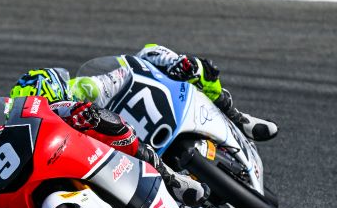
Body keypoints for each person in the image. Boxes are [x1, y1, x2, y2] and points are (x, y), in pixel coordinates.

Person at [10, 68, 209, 208]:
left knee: (107, 126)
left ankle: (171, 179)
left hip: (105, 147)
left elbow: (122, 73)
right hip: (62, 164)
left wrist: (91, 116)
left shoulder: (82, 89)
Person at [68, 44, 278, 141]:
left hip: (145, 99)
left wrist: (176, 63)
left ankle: (237, 117)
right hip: (119, 135)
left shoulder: (76, 85)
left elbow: (144, 55)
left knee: (188, 66)